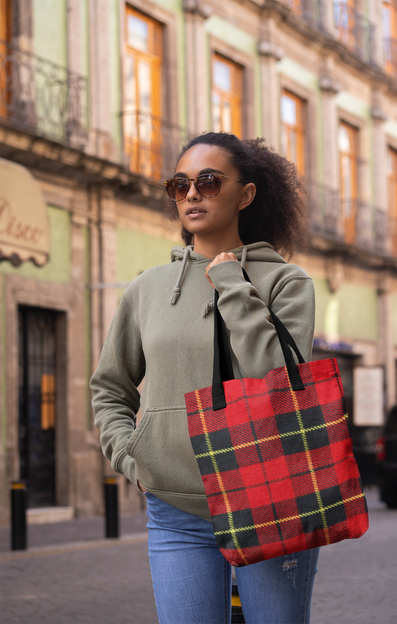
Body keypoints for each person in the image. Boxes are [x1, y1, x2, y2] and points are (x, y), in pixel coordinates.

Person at [90, 132, 319, 624]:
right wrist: (133, 458)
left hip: (269, 498)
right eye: (180, 184)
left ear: (247, 194)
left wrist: (233, 285)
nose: (192, 194)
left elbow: (279, 378)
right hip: (175, 510)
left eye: (209, 182)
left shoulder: (286, 282)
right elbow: (110, 387)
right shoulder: (146, 289)